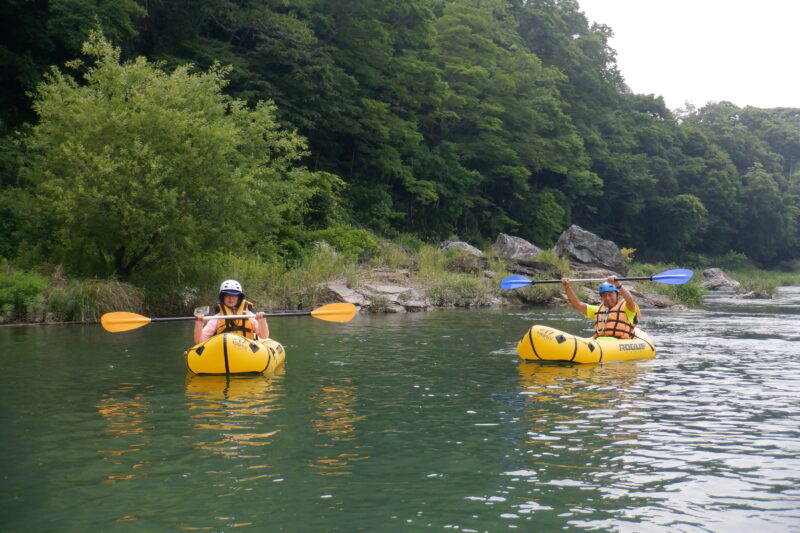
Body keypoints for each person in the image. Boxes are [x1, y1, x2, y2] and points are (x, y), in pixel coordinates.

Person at [561, 275, 640, 339]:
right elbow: (577, 304)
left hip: (620, 343)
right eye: (604, 295)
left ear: (618, 295)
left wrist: (618, 284)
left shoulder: (627, 308)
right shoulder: (596, 310)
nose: (607, 298)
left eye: (610, 294)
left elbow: (629, 299)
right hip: (600, 343)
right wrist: (566, 287)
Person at [194, 279, 269, 344]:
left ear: (239, 298)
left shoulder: (249, 315)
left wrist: (261, 320)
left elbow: (264, 336)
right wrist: (199, 323)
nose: (230, 298)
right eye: (227, 295)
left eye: (234, 296)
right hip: (224, 350)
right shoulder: (217, 318)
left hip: (247, 352)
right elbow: (200, 341)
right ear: (222, 298)